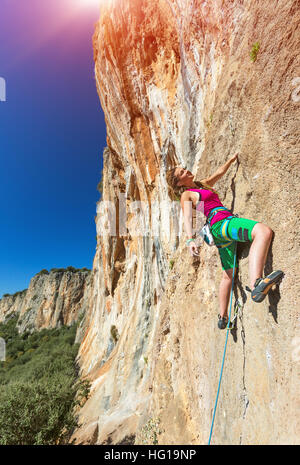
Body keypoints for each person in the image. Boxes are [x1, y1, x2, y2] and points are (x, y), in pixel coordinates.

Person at [166, 154, 283, 329]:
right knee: (262, 232)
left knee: (228, 274)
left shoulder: (202, 185)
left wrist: (231, 159)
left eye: (184, 168)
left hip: (220, 232)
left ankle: (222, 317)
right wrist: (190, 240)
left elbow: (219, 173)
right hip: (221, 223)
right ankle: (256, 283)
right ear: (179, 183)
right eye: (182, 172)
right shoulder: (187, 195)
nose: (186, 170)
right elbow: (188, 218)